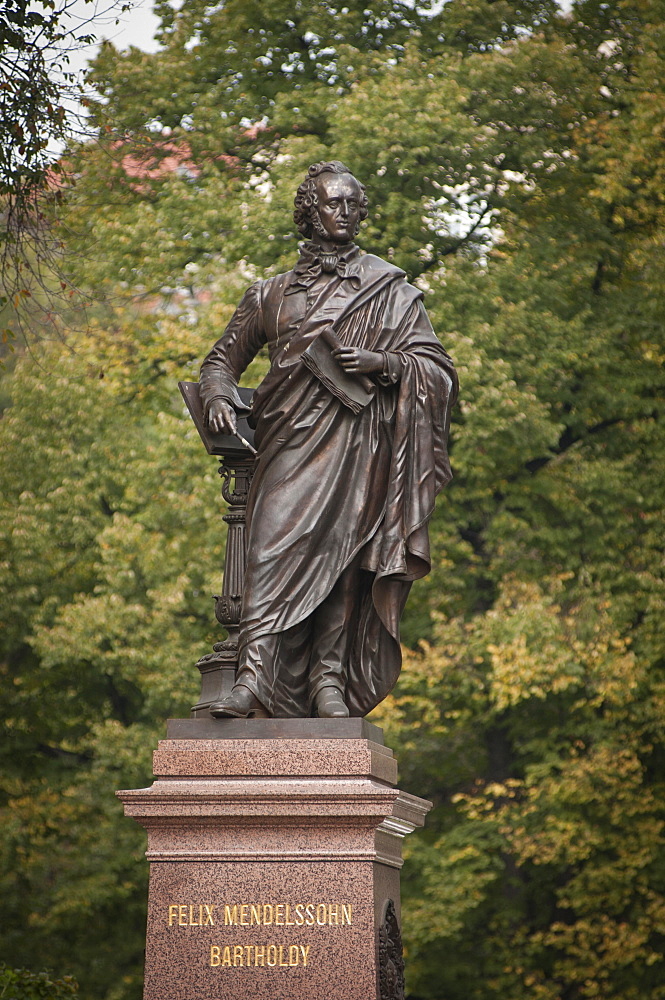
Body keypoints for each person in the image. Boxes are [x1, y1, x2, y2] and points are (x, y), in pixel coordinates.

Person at [199, 160, 458, 719]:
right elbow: (221, 359)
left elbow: (435, 369)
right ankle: (252, 678)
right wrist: (219, 395)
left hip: (357, 445)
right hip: (286, 445)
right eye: (333, 203)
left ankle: (329, 683)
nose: (345, 213)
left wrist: (382, 362)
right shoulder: (268, 295)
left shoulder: (387, 287)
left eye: (353, 205)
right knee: (267, 550)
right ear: (308, 213)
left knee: (342, 560)